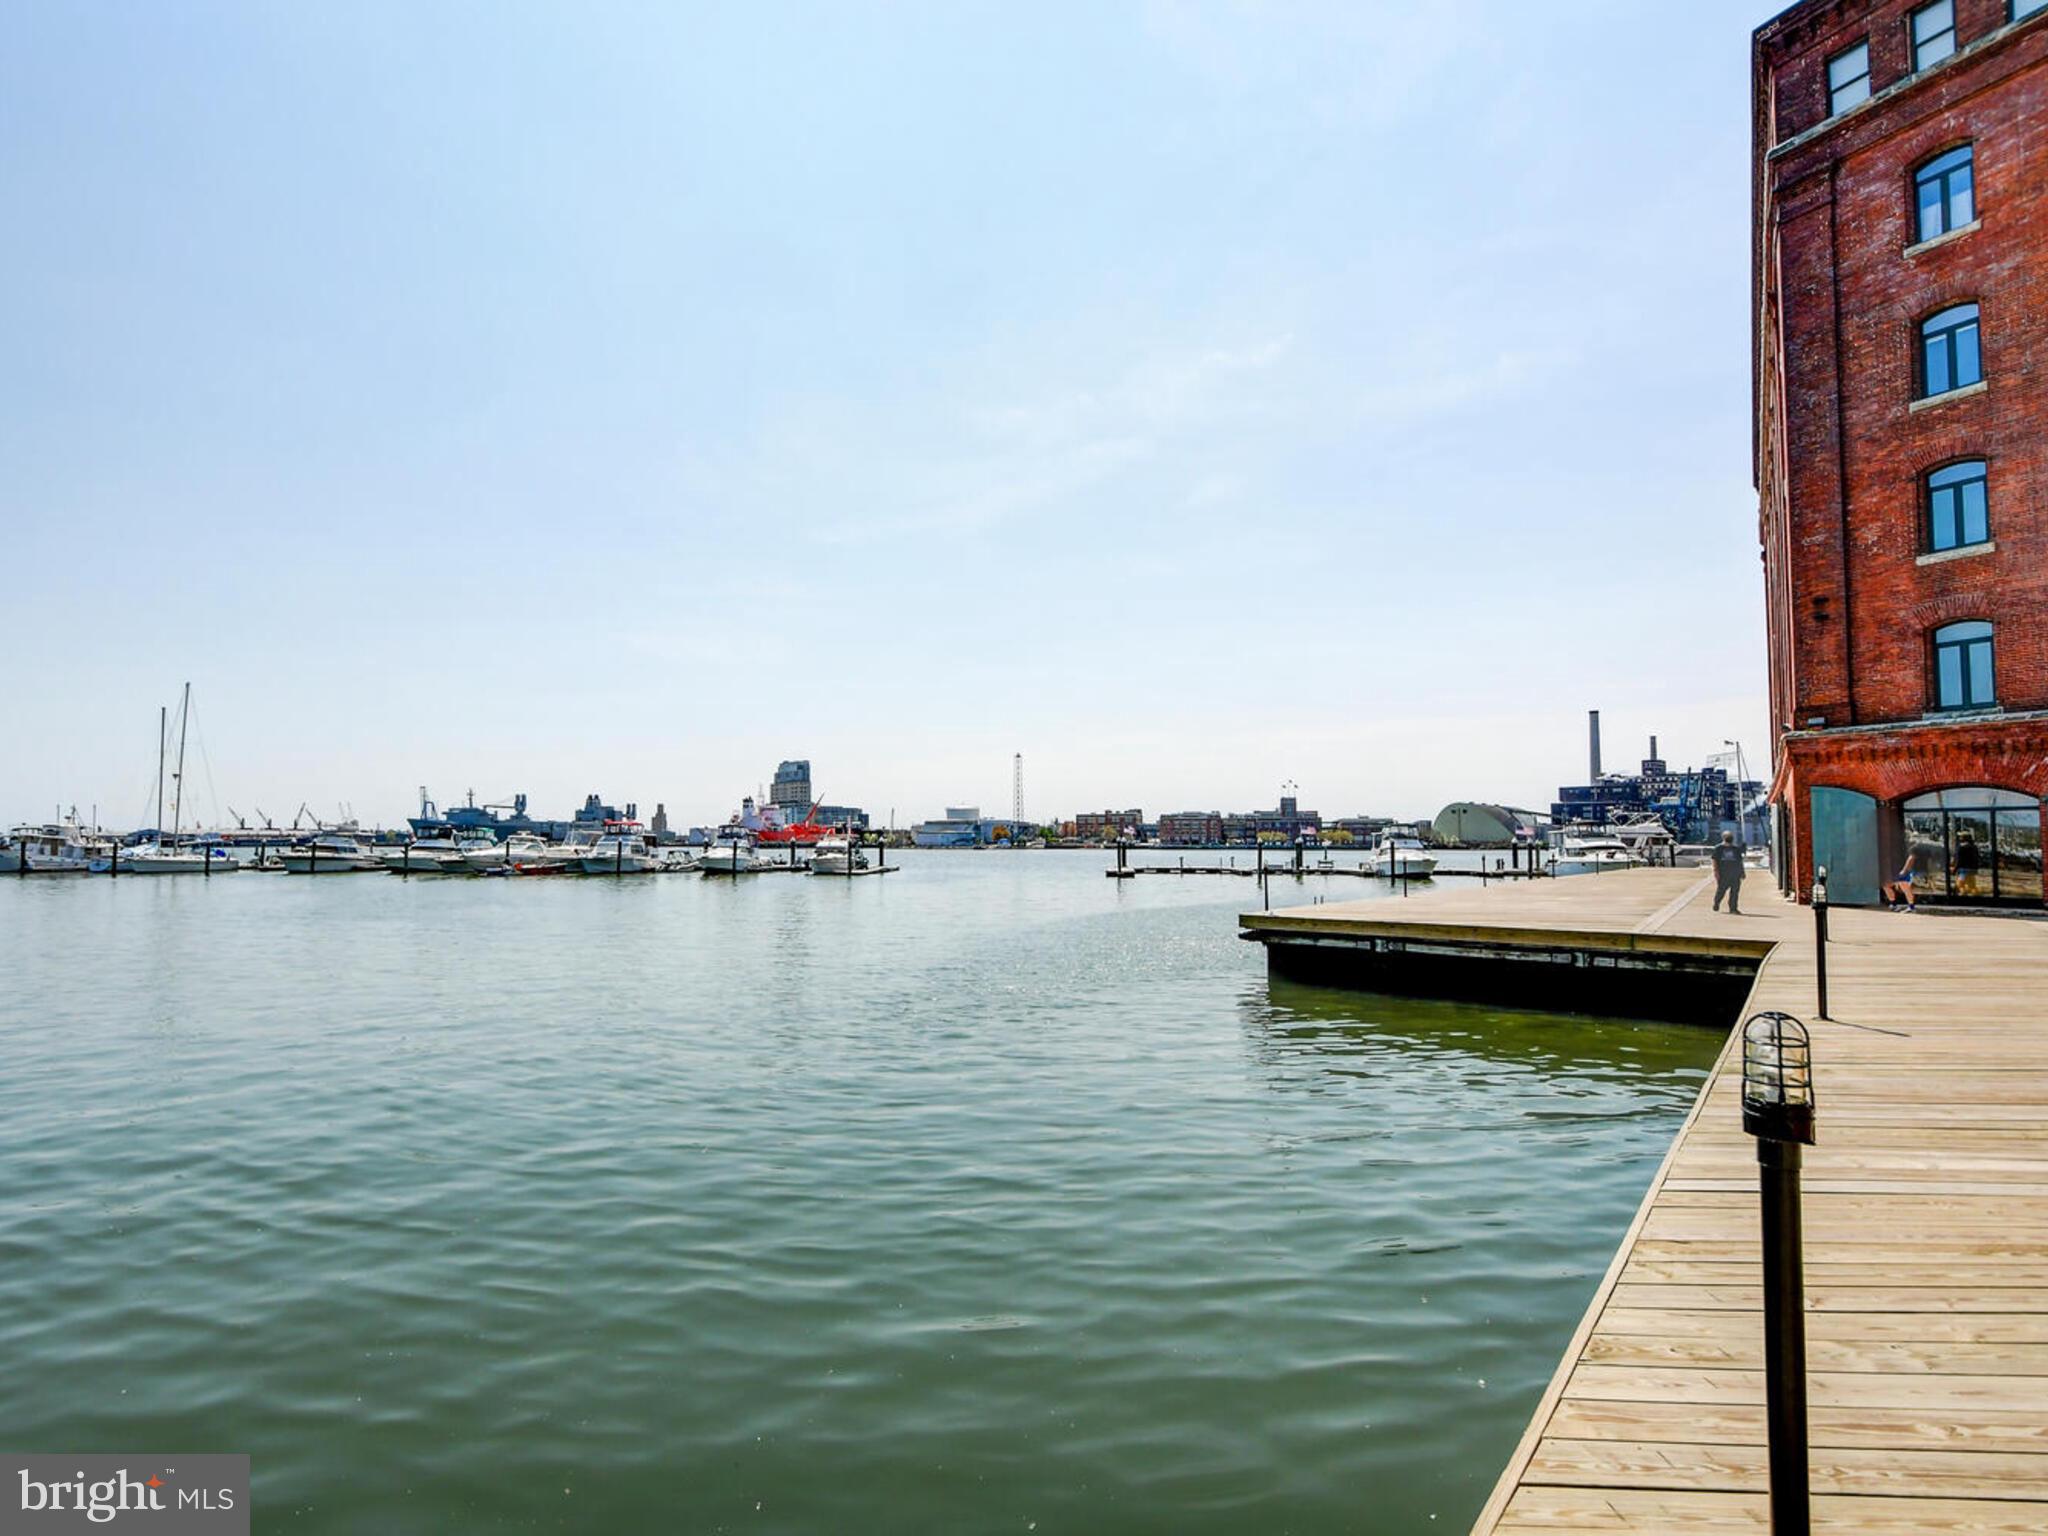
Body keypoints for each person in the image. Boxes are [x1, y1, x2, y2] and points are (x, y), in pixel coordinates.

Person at [1710, 831, 1745, 914]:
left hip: (1735, 874)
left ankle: (1733, 908)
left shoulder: (1736, 849)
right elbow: (1714, 860)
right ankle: (1716, 903)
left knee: (1735, 892)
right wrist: (1716, 871)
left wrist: (1742, 872)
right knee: (1721, 891)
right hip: (1723, 874)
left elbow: (1740, 861)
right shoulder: (1718, 848)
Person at [1882, 844, 1921, 911]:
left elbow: (1911, 858)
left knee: (1904, 886)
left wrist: (1903, 871)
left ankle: (1911, 907)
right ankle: (1893, 904)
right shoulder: (1899, 852)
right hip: (1902, 873)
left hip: (1909, 873)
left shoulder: (1913, 852)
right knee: (1886, 885)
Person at [1956, 830, 1982, 898]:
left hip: (1963, 870)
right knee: (1972, 885)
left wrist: (1955, 868)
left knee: (1960, 884)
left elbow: (1959, 860)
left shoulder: (1961, 848)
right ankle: (1975, 895)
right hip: (1972, 869)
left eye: (1960, 837)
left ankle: (1962, 895)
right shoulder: (1974, 847)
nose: (1959, 838)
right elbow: (1977, 858)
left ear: (1963, 838)